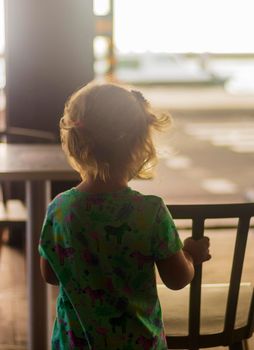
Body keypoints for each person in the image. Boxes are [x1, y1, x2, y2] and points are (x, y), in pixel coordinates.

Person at [39, 81, 211, 350]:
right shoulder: (150, 212)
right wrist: (191, 255)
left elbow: (50, 274)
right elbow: (177, 279)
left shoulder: (60, 208)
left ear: (74, 142)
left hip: (74, 343)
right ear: (138, 145)